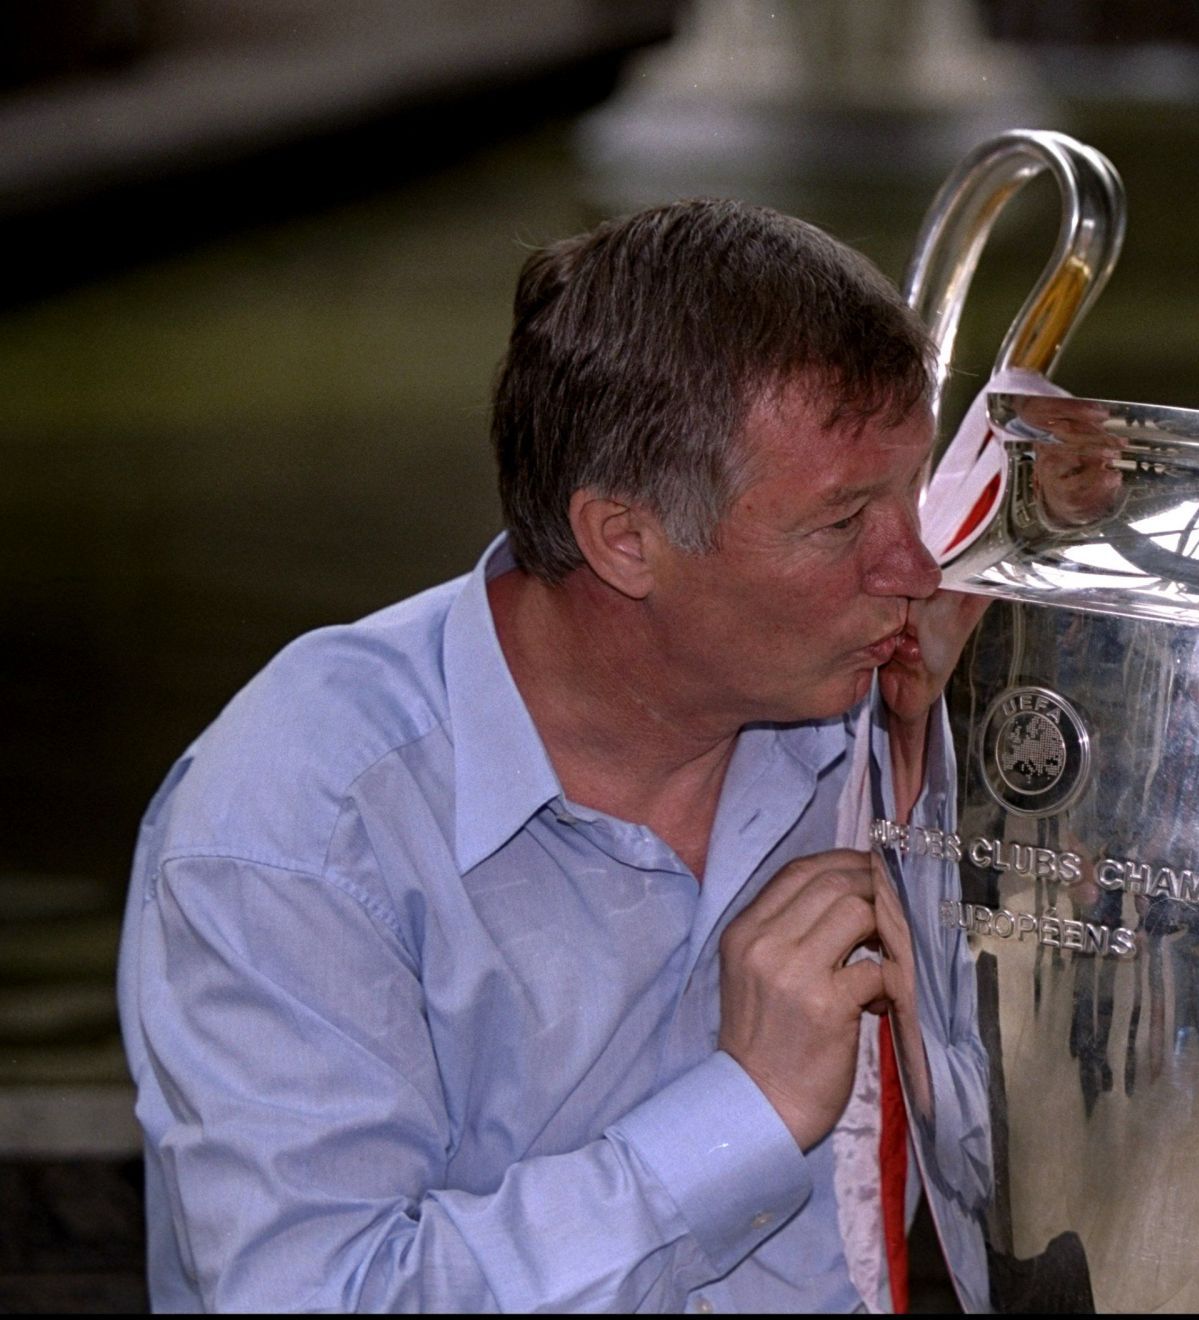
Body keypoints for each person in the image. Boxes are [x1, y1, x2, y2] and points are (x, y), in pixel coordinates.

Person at [116, 198, 987, 1312]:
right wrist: (742, 1117)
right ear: (626, 539)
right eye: (841, 523)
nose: (916, 567)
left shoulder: (884, 705)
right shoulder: (297, 829)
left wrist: (1032, 712)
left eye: (911, 497)